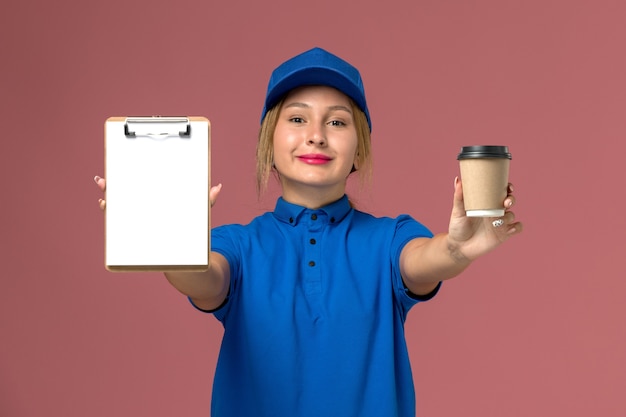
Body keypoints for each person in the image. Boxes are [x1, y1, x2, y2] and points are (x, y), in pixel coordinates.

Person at [95, 47, 522, 417]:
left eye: (337, 123)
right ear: (269, 144)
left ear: (359, 148)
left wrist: (457, 249)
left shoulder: (389, 240)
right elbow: (204, 279)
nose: (316, 136)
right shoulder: (238, 246)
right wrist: (169, 239)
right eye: (297, 119)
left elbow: (425, 260)